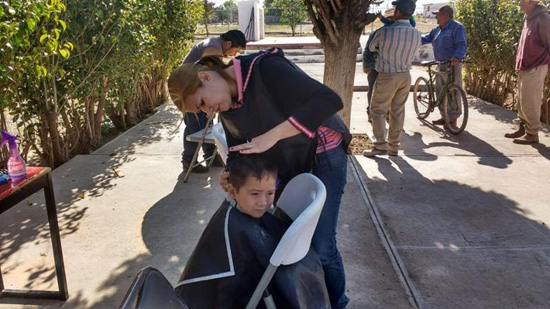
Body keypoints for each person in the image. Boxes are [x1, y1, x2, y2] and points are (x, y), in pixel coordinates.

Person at [168, 47, 352, 308]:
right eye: (201, 112)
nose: (208, 112)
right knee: (292, 238)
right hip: (291, 159)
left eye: (201, 104)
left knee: (322, 245)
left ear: (207, 77)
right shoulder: (228, 105)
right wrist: (232, 176)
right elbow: (236, 153)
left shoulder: (265, 68)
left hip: (324, 153)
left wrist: (273, 135)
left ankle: (339, 303)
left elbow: (328, 100)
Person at [175, 154, 330, 308]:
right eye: (255, 194)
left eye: (270, 193)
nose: (263, 202)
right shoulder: (229, 225)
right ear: (232, 191)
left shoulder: (239, 219)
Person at [181, 30, 247, 173]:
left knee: (208, 124)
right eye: (235, 51)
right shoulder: (213, 49)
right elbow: (212, 77)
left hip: (196, 89)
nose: (234, 55)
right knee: (195, 126)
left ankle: (211, 155)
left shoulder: (213, 44)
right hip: (190, 92)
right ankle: (188, 161)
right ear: (228, 43)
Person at [363, 0, 421, 157]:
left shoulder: (386, 31)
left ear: (397, 11)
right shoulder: (416, 33)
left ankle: (380, 145)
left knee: (378, 110)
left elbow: (371, 47)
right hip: (405, 76)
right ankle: (393, 147)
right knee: (397, 111)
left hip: (388, 75)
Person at [505, 0, 550, 144]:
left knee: (531, 100)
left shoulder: (543, 18)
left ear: (532, 2)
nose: (519, 4)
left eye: (522, 1)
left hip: (536, 65)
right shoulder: (528, 17)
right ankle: (523, 128)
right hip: (525, 65)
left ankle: (532, 134)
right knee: (521, 99)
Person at [363, 9, 416, 122]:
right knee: (372, 91)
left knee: (392, 96)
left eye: (393, 19)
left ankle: (387, 115)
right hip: (374, 67)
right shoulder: (378, 32)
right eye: (389, 19)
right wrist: (366, 65)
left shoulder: (401, 34)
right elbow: (368, 50)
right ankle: (370, 113)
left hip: (389, 70)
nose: (391, 22)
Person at [421, 5, 467, 127]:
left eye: (438, 14)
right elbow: (425, 39)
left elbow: (461, 44)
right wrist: (412, 38)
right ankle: (444, 116)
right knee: (440, 91)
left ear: (446, 16)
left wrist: (457, 57)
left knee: (453, 91)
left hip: (452, 64)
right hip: (440, 64)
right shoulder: (436, 29)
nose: (436, 17)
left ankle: (453, 119)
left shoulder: (457, 27)